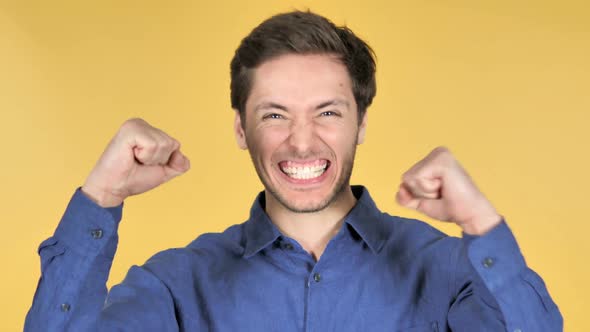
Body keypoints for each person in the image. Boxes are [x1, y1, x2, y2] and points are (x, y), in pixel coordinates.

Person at [25, 11, 562, 332]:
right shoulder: (177, 284)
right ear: (241, 129)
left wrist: (481, 225)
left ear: (361, 123)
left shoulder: (448, 271)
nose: (302, 141)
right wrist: (100, 197)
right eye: (274, 114)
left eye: (327, 112)